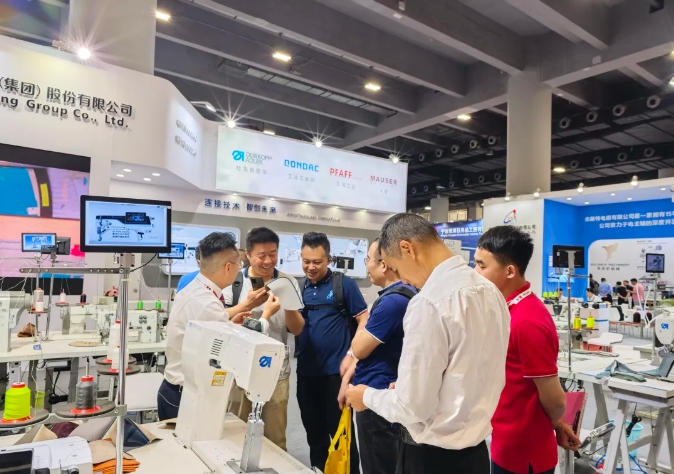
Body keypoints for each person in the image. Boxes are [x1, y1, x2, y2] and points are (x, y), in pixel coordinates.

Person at [345, 213, 509, 474]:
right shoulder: (490, 292)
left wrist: (366, 396)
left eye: (396, 268)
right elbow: (467, 372)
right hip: (476, 455)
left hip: (431, 458)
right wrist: (411, 387)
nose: (403, 280)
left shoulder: (429, 302)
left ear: (407, 249)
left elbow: (414, 408)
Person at [474, 226, 578, 474]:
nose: (475, 272)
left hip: (523, 450)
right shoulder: (507, 310)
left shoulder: (526, 321)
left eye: (481, 266)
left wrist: (555, 422)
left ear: (510, 271)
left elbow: (555, 398)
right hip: (505, 439)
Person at [158, 232, 273, 420]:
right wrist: (266, 315)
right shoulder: (208, 304)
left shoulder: (194, 289)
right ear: (228, 267)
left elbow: (205, 330)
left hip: (174, 388)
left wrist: (230, 322)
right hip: (186, 395)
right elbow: (233, 353)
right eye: (239, 265)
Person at [338, 239, 417, 474]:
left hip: (376, 397)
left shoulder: (393, 301)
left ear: (384, 264)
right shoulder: (406, 293)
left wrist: (363, 326)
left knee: (378, 464)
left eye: (368, 260)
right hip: (381, 391)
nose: (367, 266)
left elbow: (360, 348)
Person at [224, 228, 304, 450]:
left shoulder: (288, 281)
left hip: (276, 370)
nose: (268, 260)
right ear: (248, 255)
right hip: (239, 369)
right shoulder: (234, 281)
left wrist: (288, 304)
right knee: (236, 431)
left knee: (275, 436)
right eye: (261, 255)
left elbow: (297, 329)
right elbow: (222, 320)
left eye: (273, 253)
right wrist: (248, 305)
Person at [297, 232, 366, 473]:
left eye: (317, 261)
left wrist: (352, 353)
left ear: (329, 259)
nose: (311, 267)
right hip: (306, 372)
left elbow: (364, 320)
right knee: (314, 433)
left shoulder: (344, 285)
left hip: (336, 375)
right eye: (306, 261)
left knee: (341, 433)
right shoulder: (300, 287)